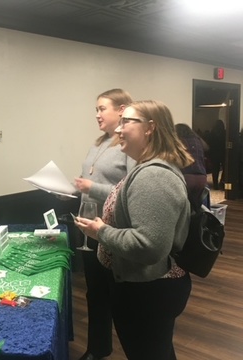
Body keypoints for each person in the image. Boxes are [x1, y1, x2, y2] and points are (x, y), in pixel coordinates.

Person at [75, 100, 193, 359]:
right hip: (142, 287)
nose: (119, 129)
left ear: (150, 128)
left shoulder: (154, 176)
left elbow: (149, 245)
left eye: (127, 121)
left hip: (148, 291)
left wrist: (101, 232)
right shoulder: (145, 168)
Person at [72, 88, 135, 360]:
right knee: (94, 294)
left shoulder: (129, 145)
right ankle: (98, 349)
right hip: (88, 229)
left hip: (113, 232)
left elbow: (132, 191)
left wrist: (93, 187)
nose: (97, 114)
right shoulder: (98, 144)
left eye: (102, 108)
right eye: (96, 109)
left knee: (117, 297)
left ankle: (134, 348)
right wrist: (70, 190)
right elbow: (87, 184)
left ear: (121, 110)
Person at [175, 123, 208, 208]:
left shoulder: (179, 142)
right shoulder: (198, 141)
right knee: (196, 207)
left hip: (186, 176)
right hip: (202, 177)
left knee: (184, 207)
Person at [208, 119, 226, 189]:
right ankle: (222, 182)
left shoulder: (212, 133)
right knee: (225, 169)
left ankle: (215, 184)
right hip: (223, 153)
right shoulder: (225, 133)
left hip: (214, 153)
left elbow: (209, 144)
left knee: (215, 169)